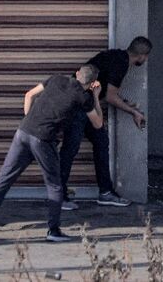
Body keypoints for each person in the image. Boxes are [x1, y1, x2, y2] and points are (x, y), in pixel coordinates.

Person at [0, 66, 102, 243]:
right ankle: (53, 230)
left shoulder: (56, 79)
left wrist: (30, 120)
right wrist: (96, 96)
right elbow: (98, 124)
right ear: (91, 84)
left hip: (23, 132)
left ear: (76, 74)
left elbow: (29, 95)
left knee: (4, 178)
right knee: (55, 185)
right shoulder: (84, 97)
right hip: (43, 139)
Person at [59, 36, 152, 209]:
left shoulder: (116, 57)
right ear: (142, 56)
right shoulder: (121, 64)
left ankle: (105, 192)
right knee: (70, 148)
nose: (145, 60)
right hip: (76, 104)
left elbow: (109, 91)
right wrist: (133, 112)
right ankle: (58, 196)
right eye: (146, 57)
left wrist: (124, 102)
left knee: (101, 142)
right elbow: (110, 97)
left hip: (87, 105)